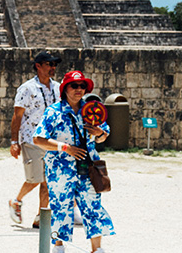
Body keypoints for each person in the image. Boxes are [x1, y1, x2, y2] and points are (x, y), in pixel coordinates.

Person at [33, 71, 115, 253]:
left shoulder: (92, 110)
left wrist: (99, 133)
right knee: (60, 207)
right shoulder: (54, 112)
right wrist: (65, 147)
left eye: (82, 86)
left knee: (93, 206)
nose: (79, 89)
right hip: (61, 169)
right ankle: (58, 247)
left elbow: (104, 135)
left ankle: (97, 249)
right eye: (74, 86)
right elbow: (38, 139)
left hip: (88, 169)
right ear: (65, 89)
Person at [9, 51, 61, 228]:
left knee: (48, 181)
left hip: (51, 140)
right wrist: (14, 142)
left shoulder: (58, 88)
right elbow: (17, 116)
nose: (52, 68)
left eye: (54, 65)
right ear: (38, 66)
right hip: (31, 139)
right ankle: (16, 200)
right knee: (35, 179)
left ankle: (40, 216)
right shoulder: (27, 88)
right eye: (49, 64)